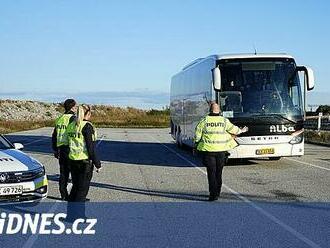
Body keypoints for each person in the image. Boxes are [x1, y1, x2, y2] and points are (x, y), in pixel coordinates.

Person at [194, 103, 248, 201]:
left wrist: (196, 145)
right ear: (219, 111)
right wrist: (242, 130)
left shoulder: (204, 121)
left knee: (211, 173)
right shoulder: (224, 121)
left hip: (208, 151)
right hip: (221, 152)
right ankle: (218, 191)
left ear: (210, 110)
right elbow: (235, 130)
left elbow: (197, 136)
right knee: (219, 173)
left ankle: (212, 194)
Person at [67, 104, 101, 202]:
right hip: (84, 162)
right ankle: (79, 216)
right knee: (82, 192)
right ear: (88, 113)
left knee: (75, 188)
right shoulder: (87, 126)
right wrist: (97, 164)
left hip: (73, 160)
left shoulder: (72, 125)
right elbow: (91, 148)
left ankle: (71, 215)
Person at [52, 99, 77, 201]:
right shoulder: (73, 118)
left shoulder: (59, 118)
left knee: (63, 174)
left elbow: (54, 135)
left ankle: (63, 194)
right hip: (70, 148)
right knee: (76, 173)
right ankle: (76, 196)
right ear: (72, 107)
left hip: (61, 149)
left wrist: (54, 149)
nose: (76, 108)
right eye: (75, 106)